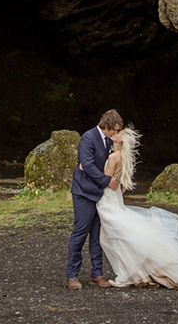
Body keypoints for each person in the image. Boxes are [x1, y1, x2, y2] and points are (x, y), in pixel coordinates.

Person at [96, 126, 178, 289]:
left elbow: (105, 181)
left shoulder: (114, 156)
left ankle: (126, 276)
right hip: (116, 201)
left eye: (118, 134)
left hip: (107, 203)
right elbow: (123, 186)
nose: (114, 134)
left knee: (113, 240)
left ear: (120, 140)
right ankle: (138, 274)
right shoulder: (126, 158)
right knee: (122, 239)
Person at [66, 109, 124, 289]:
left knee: (98, 235)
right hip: (84, 192)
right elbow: (88, 166)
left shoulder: (109, 140)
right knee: (81, 231)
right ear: (106, 126)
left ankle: (97, 273)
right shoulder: (88, 138)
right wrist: (108, 181)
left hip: (101, 194)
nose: (116, 133)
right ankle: (72, 275)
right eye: (114, 130)